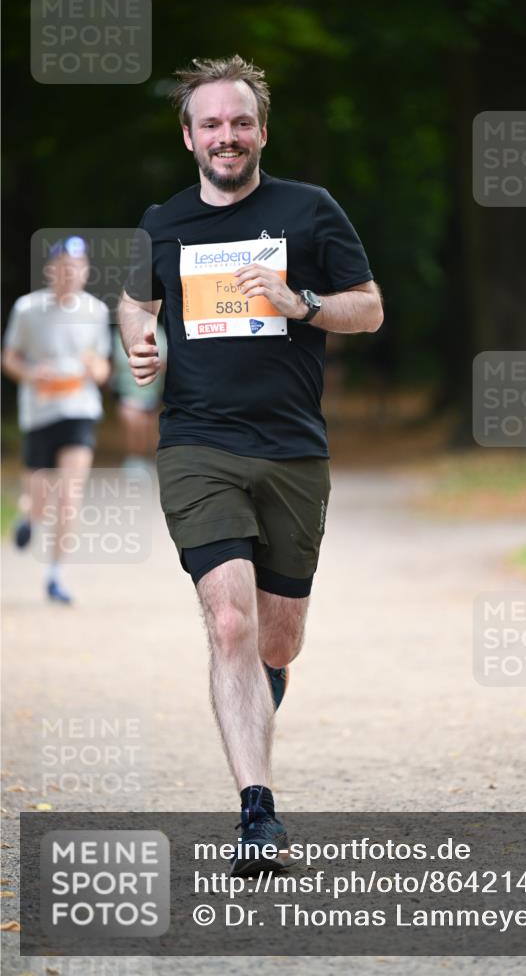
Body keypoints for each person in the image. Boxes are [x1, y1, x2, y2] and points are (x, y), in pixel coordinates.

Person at [118, 55, 383, 873]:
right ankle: (256, 812)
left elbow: (368, 309)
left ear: (259, 130)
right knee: (226, 619)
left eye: (239, 123)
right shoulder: (161, 223)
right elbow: (136, 298)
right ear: (189, 136)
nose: (225, 136)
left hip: (294, 450)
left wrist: (299, 302)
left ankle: (255, 702)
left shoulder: (310, 210)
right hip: (198, 443)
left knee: (276, 640)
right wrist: (137, 338)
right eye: (210, 124)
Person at [2, 236, 111, 603]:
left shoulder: (96, 311)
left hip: (79, 410)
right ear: (51, 271)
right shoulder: (27, 309)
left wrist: (94, 369)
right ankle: (29, 517)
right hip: (39, 412)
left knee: (69, 495)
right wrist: (33, 375)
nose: (70, 274)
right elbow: (10, 359)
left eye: (76, 268)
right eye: (63, 268)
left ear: (85, 272)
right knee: (41, 497)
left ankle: (55, 575)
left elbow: (102, 365)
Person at [112, 323, 167, 469]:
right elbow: (117, 364)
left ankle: (146, 459)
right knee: (132, 424)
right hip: (127, 392)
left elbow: (164, 363)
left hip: (153, 393)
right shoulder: (120, 335)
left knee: (150, 429)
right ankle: (133, 459)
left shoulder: (159, 333)